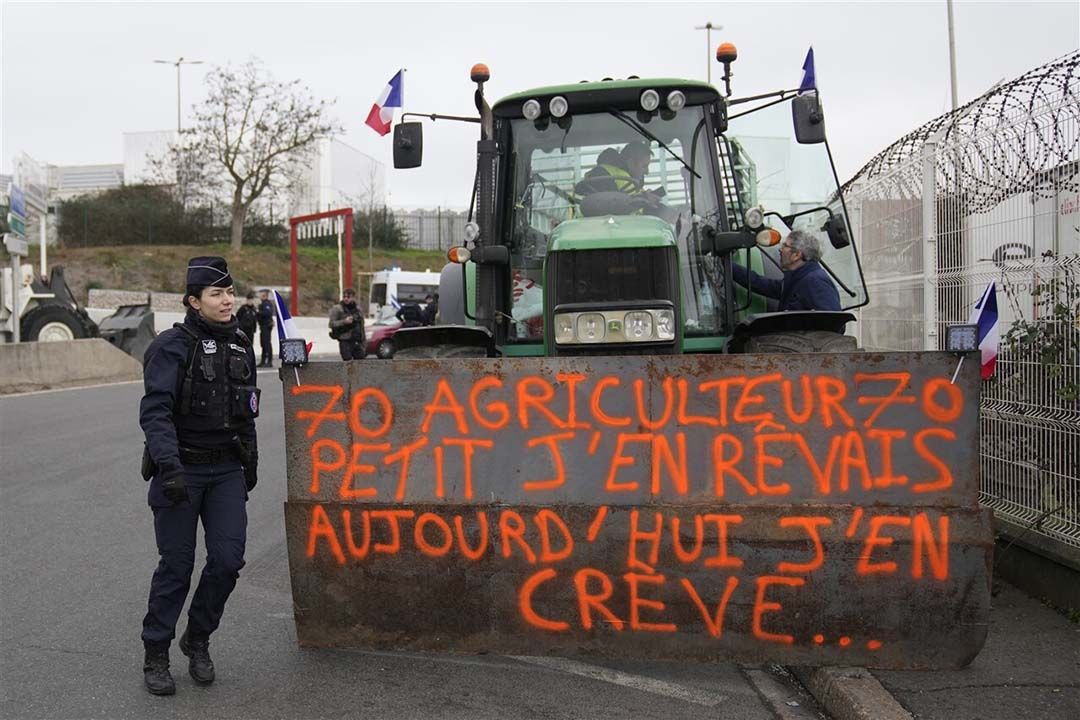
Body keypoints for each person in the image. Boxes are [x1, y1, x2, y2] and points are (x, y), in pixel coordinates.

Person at [138, 256, 259, 696]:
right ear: (194, 301)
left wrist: (251, 462)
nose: (227, 301)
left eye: (230, 292)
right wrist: (169, 466)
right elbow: (155, 412)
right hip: (181, 469)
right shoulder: (172, 347)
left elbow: (247, 410)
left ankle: (198, 638)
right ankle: (156, 654)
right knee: (177, 567)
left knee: (228, 560)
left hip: (226, 468)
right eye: (216, 294)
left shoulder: (242, 343)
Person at [732, 230, 841, 311]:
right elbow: (760, 283)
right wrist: (729, 267)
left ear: (796, 255)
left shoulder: (815, 281)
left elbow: (832, 323)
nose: (780, 249)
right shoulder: (797, 279)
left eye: (785, 246)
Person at [329, 288, 366, 361]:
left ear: (353, 298)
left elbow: (362, 326)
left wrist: (363, 342)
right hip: (345, 341)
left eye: (348, 297)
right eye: (344, 297)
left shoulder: (358, 310)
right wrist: (344, 322)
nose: (346, 299)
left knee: (360, 362)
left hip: (357, 341)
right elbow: (331, 324)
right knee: (347, 362)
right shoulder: (338, 309)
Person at [256, 289, 275, 367]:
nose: (260, 296)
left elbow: (268, 313)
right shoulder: (262, 304)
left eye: (261, 295)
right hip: (262, 326)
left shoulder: (267, 304)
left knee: (267, 343)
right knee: (263, 343)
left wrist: (258, 312)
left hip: (266, 326)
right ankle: (263, 361)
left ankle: (269, 361)